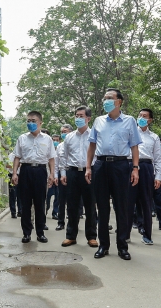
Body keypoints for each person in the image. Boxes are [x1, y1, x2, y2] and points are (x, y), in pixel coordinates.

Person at [86, 88, 142, 261]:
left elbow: (134, 147)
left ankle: (122, 246)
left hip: (121, 165)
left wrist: (135, 168)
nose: (106, 101)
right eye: (104, 98)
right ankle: (104, 245)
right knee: (102, 208)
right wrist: (88, 167)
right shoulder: (99, 121)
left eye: (110, 98)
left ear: (119, 102)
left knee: (122, 207)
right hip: (101, 165)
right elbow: (92, 146)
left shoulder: (129, 121)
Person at [12, 111, 56, 244]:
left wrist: (52, 175)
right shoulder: (22, 138)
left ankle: (40, 233)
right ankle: (26, 233)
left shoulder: (47, 139)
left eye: (33, 121)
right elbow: (17, 157)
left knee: (40, 203)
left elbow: (51, 158)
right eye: (28, 121)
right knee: (25, 204)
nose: (30, 123)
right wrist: (15, 173)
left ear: (40, 123)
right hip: (25, 170)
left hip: (40, 171)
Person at [59, 106, 98, 248]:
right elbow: (64, 156)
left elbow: (98, 154)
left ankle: (92, 236)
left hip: (90, 173)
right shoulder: (69, 137)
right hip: (73, 172)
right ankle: (71, 236)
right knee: (72, 206)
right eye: (76, 115)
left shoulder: (94, 135)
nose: (78, 118)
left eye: (81, 116)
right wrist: (63, 173)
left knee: (90, 205)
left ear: (88, 118)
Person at [126, 109, 161, 245]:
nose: (141, 118)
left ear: (150, 120)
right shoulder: (129, 133)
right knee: (128, 202)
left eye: (145, 116)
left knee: (147, 202)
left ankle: (147, 234)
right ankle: (125, 234)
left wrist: (158, 176)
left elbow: (158, 159)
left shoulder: (154, 137)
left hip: (147, 168)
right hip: (130, 167)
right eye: (140, 115)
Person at [55, 124, 73, 231]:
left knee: (72, 201)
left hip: (73, 173)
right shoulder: (60, 146)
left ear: (70, 132)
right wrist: (56, 176)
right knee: (61, 200)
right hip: (62, 173)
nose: (63, 134)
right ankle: (60, 222)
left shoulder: (75, 143)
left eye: (65, 132)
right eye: (62, 132)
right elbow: (57, 162)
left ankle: (72, 222)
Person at [46, 134, 61, 220]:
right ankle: (46, 209)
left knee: (58, 196)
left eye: (57, 140)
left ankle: (55, 212)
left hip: (58, 176)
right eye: (53, 140)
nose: (55, 142)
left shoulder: (60, 150)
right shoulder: (49, 150)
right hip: (50, 177)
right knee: (47, 196)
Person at [7, 151, 22, 219]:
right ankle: (13, 212)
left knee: (21, 195)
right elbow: (7, 165)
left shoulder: (24, 154)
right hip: (12, 175)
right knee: (13, 195)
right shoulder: (11, 155)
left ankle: (20, 211)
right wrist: (16, 165)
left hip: (21, 176)